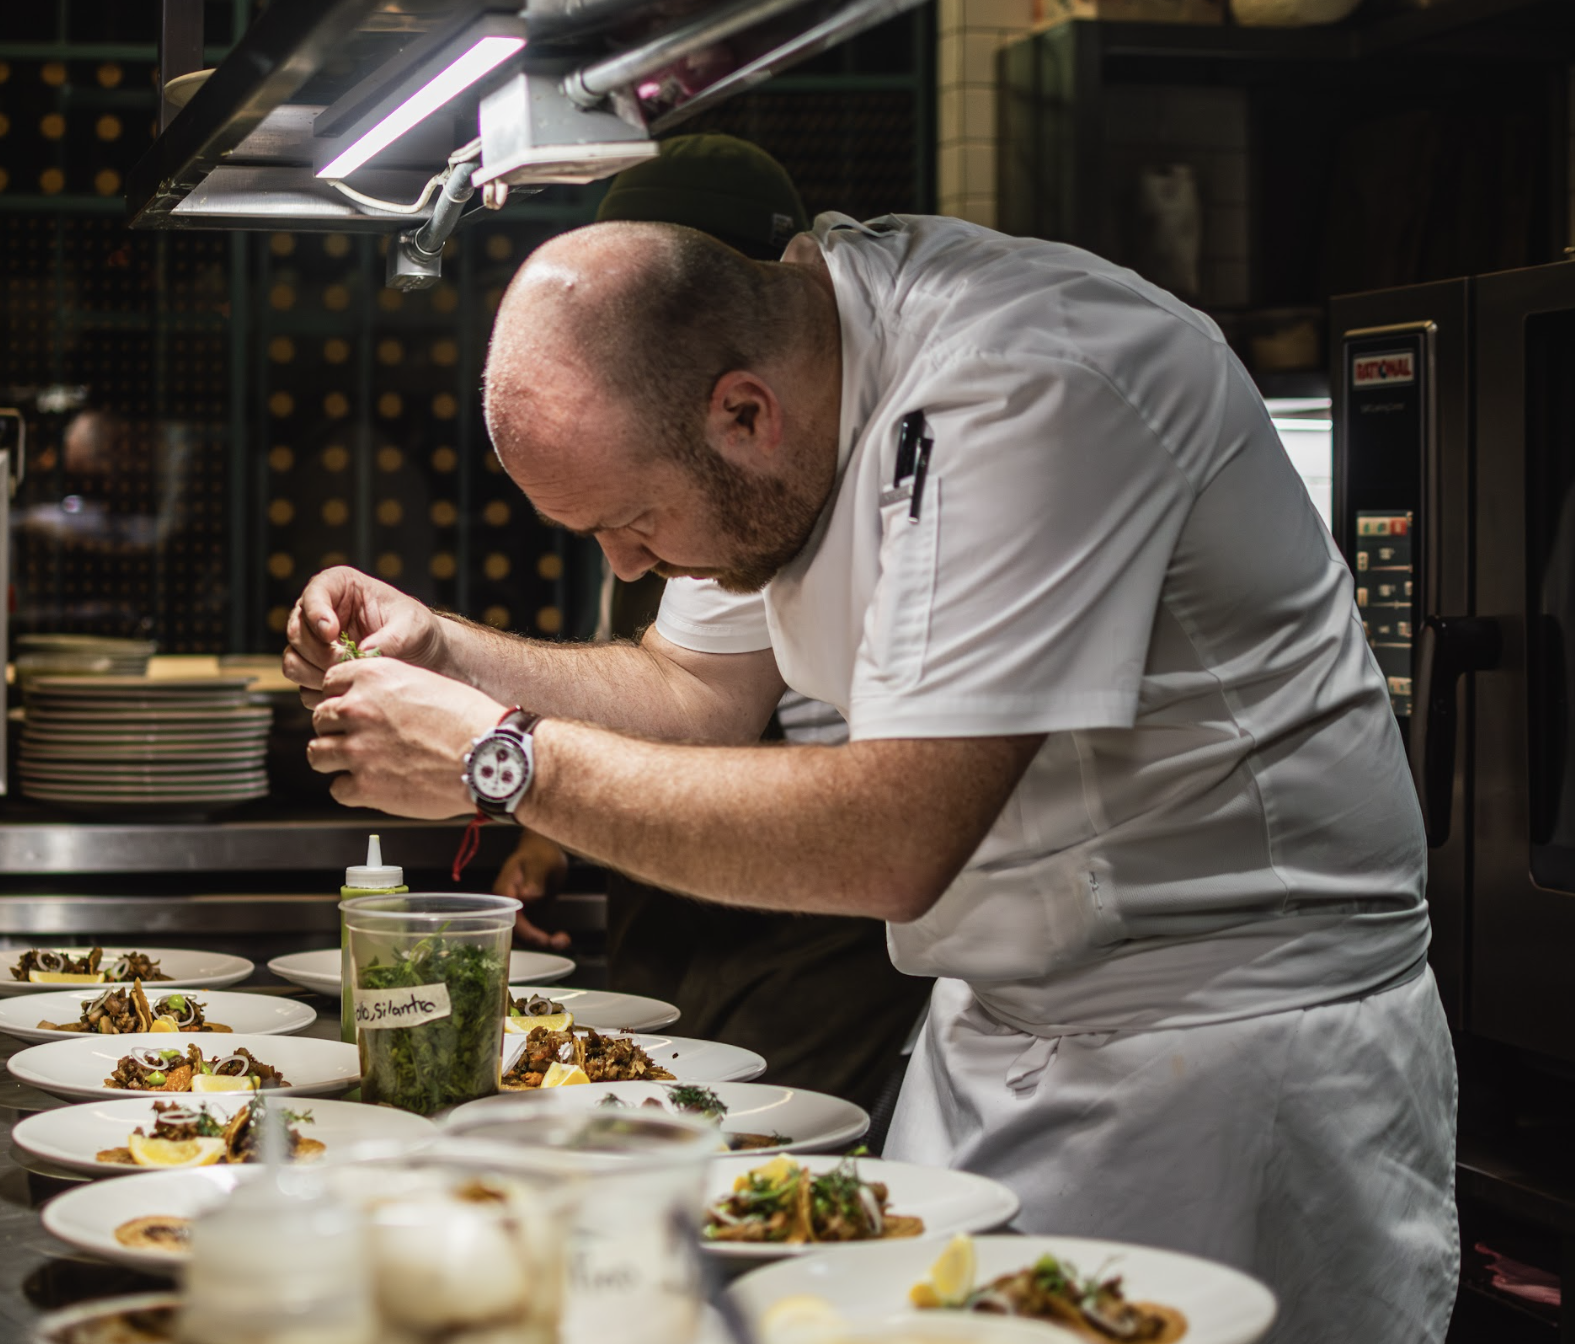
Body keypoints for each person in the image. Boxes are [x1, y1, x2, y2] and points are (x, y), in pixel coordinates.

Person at [287, 211, 1456, 1341]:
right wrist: (448, 649)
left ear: (744, 415)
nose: (626, 562)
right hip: (995, 1034)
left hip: (1226, 1054)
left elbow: (892, 840)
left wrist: (501, 758)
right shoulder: (780, 394)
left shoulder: (1032, 384)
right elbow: (695, 694)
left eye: (633, 520)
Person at [491, 134, 930, 1116]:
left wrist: (509, 757)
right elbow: (675, 690)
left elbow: (889, 818)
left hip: (824, 908)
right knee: (645, 1120)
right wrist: (549, 826)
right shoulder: (652, 444)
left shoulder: (815, 449)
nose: (631, 556)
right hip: (675, 887)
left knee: (754, 1144)